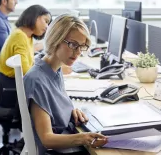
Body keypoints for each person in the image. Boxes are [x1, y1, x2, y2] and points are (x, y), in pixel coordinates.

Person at [24, 14, 107, 154]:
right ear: (55, 39)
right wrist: (83, 138)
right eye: (73, 44)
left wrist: (70, 111)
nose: (78, 52)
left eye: (82, 46)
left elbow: (54, 106)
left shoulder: (54, 69)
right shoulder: (37, 80)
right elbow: (47, 139)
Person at [0, 5, 51, 108]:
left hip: (13, 83)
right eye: (46, 21)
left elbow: (29, 63)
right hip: (11, 86)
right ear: (35, 17)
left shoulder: (26, 36)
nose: (47, 27)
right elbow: (26, 71)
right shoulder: (20, 36)